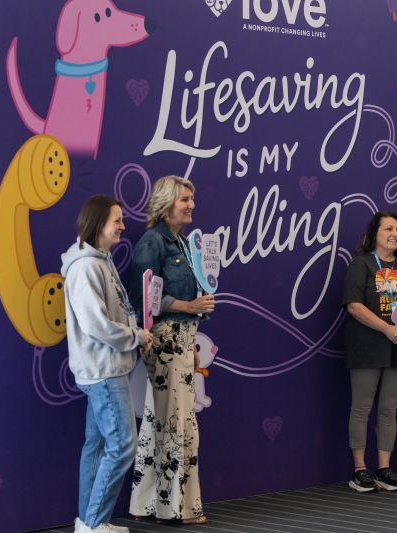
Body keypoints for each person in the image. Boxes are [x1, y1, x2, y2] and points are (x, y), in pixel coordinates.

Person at [61, 195, 154, 533]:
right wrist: (135, 336)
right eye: (117, 220)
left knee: (98, 445)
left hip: (105, 368)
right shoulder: (86, 267)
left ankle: (88, 522)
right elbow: (96, 325)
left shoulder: (99, 261)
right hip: (104, 371)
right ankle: (94, 524)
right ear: (99, 224)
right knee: (122, 445)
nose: (123, 226)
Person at [129, 176, 214, 525]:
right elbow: (143, 298)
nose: (191, 204)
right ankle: (172, 507)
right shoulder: (153, 242)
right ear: (166, 203)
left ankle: (148, 503)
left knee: (160, 422)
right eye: (184, 199)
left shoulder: (183, 242)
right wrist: (189, 306)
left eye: (192, 198)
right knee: (175, 424)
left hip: (182, 340)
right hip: (163, 341)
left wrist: (192, 334)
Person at [342, 211, 397, 492]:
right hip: (367, 346)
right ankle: (360, 470)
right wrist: (386, 329)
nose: (395, 233)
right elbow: (354, 306)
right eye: (388, 228)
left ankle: (384, 469)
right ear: (374, 234)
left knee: (389, 409)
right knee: (362, 408)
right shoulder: (361, 265)